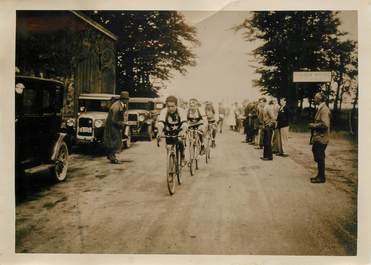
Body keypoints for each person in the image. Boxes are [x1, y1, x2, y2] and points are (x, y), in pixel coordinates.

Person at [156, 96, 188, 164]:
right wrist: (159, 132)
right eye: (168, 106)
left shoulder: (181, 111)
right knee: (168, 147)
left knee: (180, 140)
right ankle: (170, 164)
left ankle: (182, 156)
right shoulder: (164, 111)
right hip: (168, 130)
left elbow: (184, 124)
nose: (170, 108)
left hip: (179, 130)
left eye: (172, 106)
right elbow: (161, 123)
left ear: (176, 105)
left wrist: (183, 132)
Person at [309, 92, 330, 183]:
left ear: (320, 99)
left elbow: (325, 125)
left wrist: (313, 125)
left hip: (322, 137)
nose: (314, 99)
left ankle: (321, 177)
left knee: (319, 156)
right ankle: (320, 175)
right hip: (318, 137)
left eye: (316, 97)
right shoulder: (321, 108)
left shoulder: (324, 109)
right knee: (317, 153)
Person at [104, 91, 129, 164]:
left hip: (115, 126)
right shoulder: (116, 106)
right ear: (123, 99)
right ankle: (112, 158)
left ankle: (110, 155)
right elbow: (113, 119)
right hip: (112, 126)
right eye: (126, 99)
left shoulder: (121, 105)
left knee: (115, 141)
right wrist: (122, 123)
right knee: (115, 141)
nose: (127, 101)